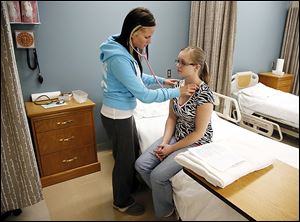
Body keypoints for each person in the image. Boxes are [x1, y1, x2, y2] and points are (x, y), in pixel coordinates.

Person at [99, 7, 198, 216]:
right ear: (134, 32)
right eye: (147, 36)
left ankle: (130, 187)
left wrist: (162, 81)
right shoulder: (118, 57)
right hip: (117, 115)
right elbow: (144, 95)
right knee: (124, 160)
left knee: (132, 152)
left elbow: (137, 77)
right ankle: (121, 201)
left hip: (123, 113)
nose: (150, 41)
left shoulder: (123, 49)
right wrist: (175, 91)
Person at [135, 46, 214, 218]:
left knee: (157, 176)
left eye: (183, 62)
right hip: (177, 135)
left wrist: (171, 148)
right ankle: (167, 198)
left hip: (196, 143)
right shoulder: (178, 87)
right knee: (141, 165)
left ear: (196, 67)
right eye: (177, 60)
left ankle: (166, 213)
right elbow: (172, 117)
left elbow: (199, 133)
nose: (178, 65)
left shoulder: (205, 95)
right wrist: (164, 142)